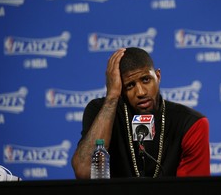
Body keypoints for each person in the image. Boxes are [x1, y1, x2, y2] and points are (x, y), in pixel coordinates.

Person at [71, 47, 210, 179]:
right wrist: (112, 97)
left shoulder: (190, 124)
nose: (141, 92)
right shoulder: (100, 111)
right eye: (130, 85)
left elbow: (193, 189)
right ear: (120, 88)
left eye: (145, 79)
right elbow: (84, 171)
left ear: (158, 76)